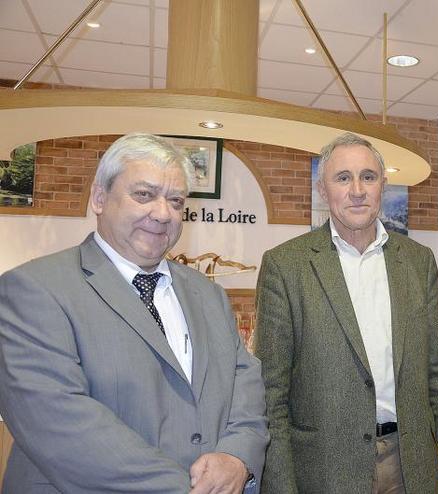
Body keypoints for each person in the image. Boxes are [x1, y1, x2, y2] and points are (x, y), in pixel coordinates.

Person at [0, 133, 268, 493]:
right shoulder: (33, 290)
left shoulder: (209, 295)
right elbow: (61, 426)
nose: (162, 213)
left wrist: (237, 458)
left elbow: (245, 386)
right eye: (144, 194)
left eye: (175, 201)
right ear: (99, 197)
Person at [254, 132, 438, 494]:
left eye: (368, 177)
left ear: (383, 186)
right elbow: (270, 393)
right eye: (343, 178)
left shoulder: (417, 261)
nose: (357, 189)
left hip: (410, 464)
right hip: (323, 468)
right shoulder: (286, 266)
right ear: (322, 190)